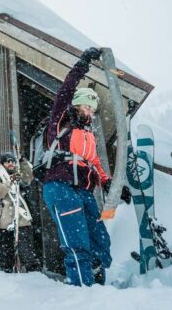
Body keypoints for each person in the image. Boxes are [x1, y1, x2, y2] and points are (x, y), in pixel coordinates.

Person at [42, 47, 131, 286]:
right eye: (86, 107)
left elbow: (96, 165)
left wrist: (112, 185)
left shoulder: (88, 135)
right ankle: (83, 293)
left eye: (92, 109)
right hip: (60, 186)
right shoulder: (61, 123)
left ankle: (97, 288)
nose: (90, 113)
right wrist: (83, 64)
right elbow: (65, 91)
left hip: (84, 191)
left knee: (100, 242)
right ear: (77, 106)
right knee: (77, 243)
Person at [0, 152, 41, 273]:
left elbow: (29, 177)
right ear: (3, 164)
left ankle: (34, 275)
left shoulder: (20, 175)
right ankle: (6, 272)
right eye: (8, 161)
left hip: (22, 219)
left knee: (27, 251)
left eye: (13, 161)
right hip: (5, 220)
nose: (11, 164)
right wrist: (10, 181)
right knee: (6, 253)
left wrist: (23, 161)